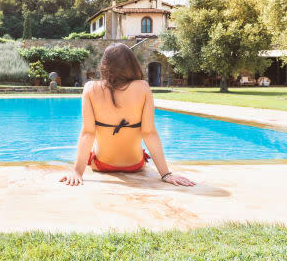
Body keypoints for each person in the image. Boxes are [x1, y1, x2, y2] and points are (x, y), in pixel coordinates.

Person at [60, 43, 195, 187]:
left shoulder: (90, 89)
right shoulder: (143, 87)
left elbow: (88, 133)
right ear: (132, 64)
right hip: (135, 165)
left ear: (104, 65)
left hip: (101, 165)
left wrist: (77, 172)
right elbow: (149, 133)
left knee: (94, 148)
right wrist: (166, 174)